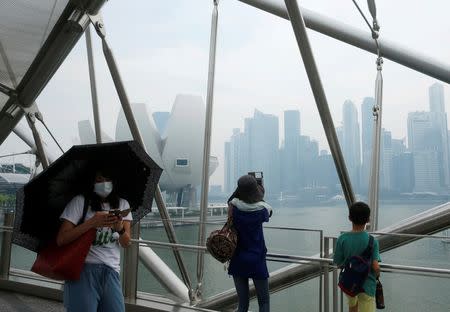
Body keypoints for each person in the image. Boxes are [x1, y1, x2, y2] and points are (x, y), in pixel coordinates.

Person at [56, 168, 132, 312]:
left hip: (111, 271)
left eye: (107, 179)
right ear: (92, 182)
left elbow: (126, 242)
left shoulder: (123, 204)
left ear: (114, 181)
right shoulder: (81, 202)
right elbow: (62, 238)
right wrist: (92, 223)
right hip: (83, 270)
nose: (104, 183)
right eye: (99, 180)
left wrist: (119, 228)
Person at [227, 174, 273, 312]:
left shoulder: (233, 207)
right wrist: (260, 189)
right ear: (255, 191)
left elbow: (231, 202)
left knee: (242, 304)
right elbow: (267, 210)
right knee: (263, 302)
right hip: (256, 260)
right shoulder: (261, 211)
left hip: (237, 259)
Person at [333, 202, 381, 312]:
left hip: (349, 282)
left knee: (352, 305)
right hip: (367, 284)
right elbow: (375, 266)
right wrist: (377, 275)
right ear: (368, 219)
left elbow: (338, 262)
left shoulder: (342, 238)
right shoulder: (372, 241)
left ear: (350, 218)